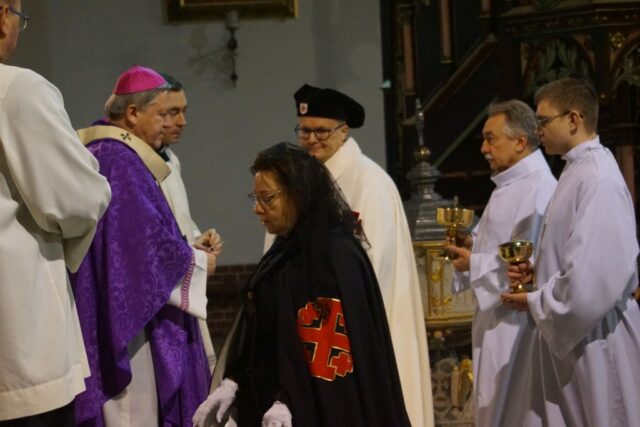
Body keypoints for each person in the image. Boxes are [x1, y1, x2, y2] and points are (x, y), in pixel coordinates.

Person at [193, 142, 410, 427]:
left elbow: (331, 357)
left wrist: (289, 401)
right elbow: (263, 330)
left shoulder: (334, 256)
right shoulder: (284, 249)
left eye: (267, 198)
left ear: (298, 193)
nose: (257, 209)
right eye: (254, 198)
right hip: (270, 403)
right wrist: (233, 381)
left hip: (321, 410)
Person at [70, 66, 219, 426]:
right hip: (133, 316)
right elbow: (139, 246)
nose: (178, 122)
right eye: (166, 113)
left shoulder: (114, 151)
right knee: (136, 408)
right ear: (133, 113)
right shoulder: (119, 157)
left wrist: (190, 246)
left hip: (130, 301)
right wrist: (198, 264)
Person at [288, 84, 433, 427]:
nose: (311, 140)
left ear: (344, 131)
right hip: (318, 324)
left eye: (321, 131)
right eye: (304, 131)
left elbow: (374, 265)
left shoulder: (369, 181)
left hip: (358, 325)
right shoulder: (302, 179)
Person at [502, 77, 640, 426]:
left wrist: (535, 300)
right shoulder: (576, 170)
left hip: (596, 338)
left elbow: (592, 281)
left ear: (574, 119)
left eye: (543, 121)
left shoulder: (598, 178)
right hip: (574, 335)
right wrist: (539, 271)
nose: (538, 131)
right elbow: (577, 253)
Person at [0, 0, 112, 425]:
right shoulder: (17, 89)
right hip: (17, 329)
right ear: (2, 15)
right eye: (20, 17)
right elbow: (76, 198)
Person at [446, 100, 557, 426]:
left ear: (520, 141)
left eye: (490, 139)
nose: (483, 148)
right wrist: (472, 245)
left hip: (518, 325)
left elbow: (530, 265)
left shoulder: (540, 188)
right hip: (496, 320)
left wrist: (474, 263)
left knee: (518, 411)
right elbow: (496, 247)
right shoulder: (507, 185)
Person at [157, 72, 219, 371]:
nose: (182, 121)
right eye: (172, 112)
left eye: (184, 111)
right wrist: (197, 260)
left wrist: (196, 239)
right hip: (160, 297)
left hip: (182, 274)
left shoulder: (170, 158)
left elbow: (176, 219)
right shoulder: (134, 164)